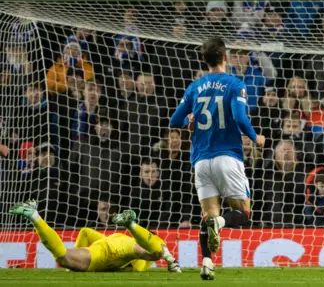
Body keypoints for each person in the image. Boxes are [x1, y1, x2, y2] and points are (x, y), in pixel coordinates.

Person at [168, 37, 265, 280]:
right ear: (225, 57)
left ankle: (207, 263)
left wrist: (190, 121)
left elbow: (174, 122)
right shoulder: (235, 84)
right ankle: (220, 223)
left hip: (200, 160)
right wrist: (256, 138)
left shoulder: (194, 87)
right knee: (243, 212)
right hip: (227, 157)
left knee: (208, 214)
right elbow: (240, 118)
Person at [9, 201, 180, 272]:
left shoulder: (117, 240)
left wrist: (171, 261)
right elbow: (159, 247)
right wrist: (171, 261)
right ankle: (131, 224)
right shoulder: (147, 253)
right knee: (152, 253)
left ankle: (34, 216)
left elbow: (86, 232)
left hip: (112, 244)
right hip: (114, 251)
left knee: (64, 259)